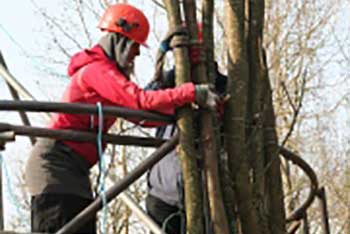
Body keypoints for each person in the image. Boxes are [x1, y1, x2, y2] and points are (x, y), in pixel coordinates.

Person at [24, 4, 219, 234]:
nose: (137, 54)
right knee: (62, 225)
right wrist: (190, 92)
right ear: (120, 41)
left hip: (74, 169)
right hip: (56, 167)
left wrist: (181, 112)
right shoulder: (96, 71)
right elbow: (140, 100)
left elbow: (143, 118)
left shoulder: (107, 76)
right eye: (135, 46)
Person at [145, 25, 227, 234]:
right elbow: (145, 101)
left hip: (208, 193)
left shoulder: (223, 85)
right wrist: (163, 54)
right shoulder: (167, 82)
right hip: (163, 193)